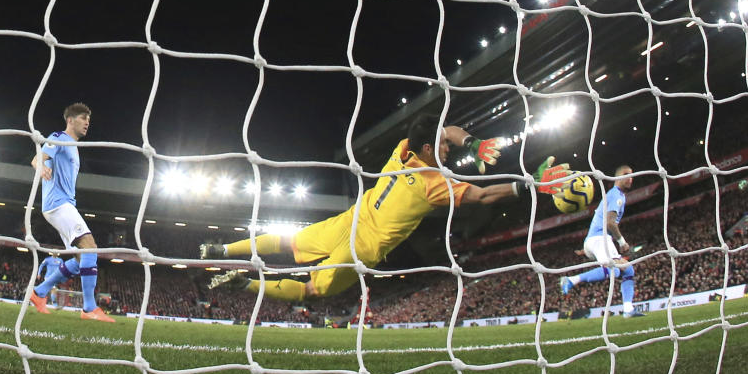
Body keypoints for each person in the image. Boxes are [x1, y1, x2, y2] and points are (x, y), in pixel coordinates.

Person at [202, 114, 571, 302]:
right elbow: (485, 196)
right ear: (427, 150)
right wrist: (531, 186)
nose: (446, 150)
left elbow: (446, 131)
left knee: (290, 241)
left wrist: (472, 143)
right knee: (315, 289)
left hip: (352, 219)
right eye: (441, 148)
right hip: (362, 246)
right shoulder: (435, 185)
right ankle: (244, 283)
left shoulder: (402, 150)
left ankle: (223, 250)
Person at [27, 103, 114, 322]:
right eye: (83, 118)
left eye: (89, 120)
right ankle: (89, 308)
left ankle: (39, 293)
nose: (87, 123)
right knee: (89, 247)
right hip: (58, 204)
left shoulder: (73, 146)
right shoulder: (59, 137)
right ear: (70, 120)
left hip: (63, 205)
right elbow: (37, 158)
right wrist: (42, 167)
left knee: (78, 258)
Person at [559, 165, 644, 318]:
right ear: (617, 178)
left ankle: (628, 309)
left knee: (628, 270)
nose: (630, 178)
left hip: (595, 241)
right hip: (599, 239)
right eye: (626, 174)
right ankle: (571, 280)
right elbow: (610, 223)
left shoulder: (615, 195)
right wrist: (622, 242)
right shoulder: (616, 195)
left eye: (632, 175)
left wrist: (587, 248)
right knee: (614, 270)